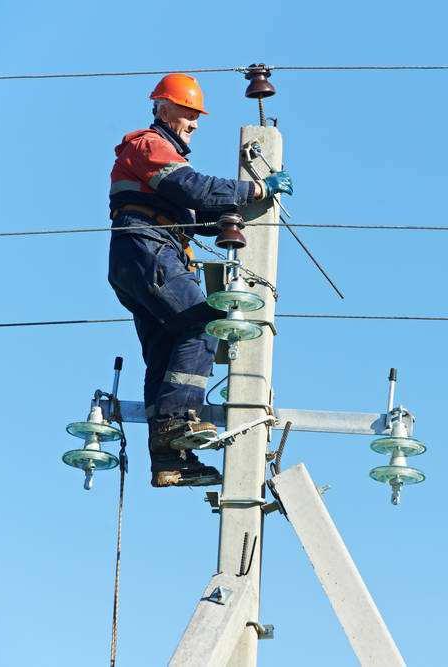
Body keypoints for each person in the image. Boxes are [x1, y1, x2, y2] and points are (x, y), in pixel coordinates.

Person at [107, 73, 292, 487]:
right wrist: (258, 189)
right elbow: (196, 190)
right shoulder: (148, 145)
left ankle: (169, 460)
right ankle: (176, 422)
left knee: (166, 352)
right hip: (148, 248)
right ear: (162, 107)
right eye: (188, 113)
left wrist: (234, 209)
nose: (194, 123)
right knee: (204, 322)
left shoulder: (159, 159)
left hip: (143, 254)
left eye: (197, 116)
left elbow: (199, 212)